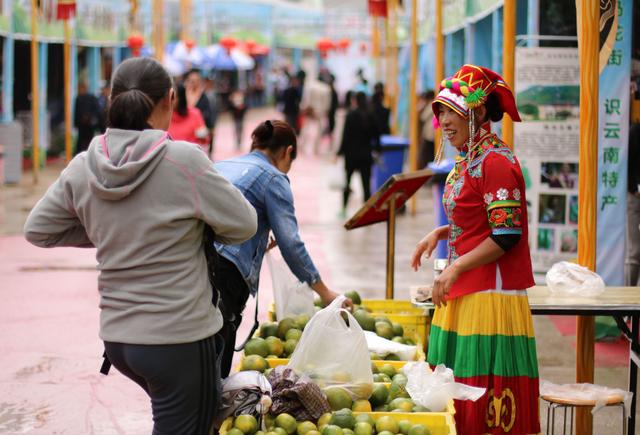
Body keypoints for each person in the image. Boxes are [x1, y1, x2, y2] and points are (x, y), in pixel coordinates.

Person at [23, 57, 258, 434]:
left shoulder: (84, 164)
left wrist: (112, 231)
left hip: (119, 340)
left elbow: (39, 229)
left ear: (112, 99)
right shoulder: (183, 160)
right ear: (170, 99)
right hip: (178, 337)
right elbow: (245, 224)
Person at [410, 64, 539, 434]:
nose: (444, 122)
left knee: (483, 400)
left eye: (452, 111)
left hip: (491, 297)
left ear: (478, 112)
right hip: (469, 288)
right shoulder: (471, 159)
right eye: (442, 112)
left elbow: (506, 234)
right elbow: (482, 219)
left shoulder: (496, 162)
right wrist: (442, 231)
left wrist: (454, 267)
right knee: (459, 394)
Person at [213, 120, 344, 377]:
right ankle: (209, 415)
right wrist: (325, 292)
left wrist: (257, 241)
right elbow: (291, 244)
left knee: (200, 354)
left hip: (193, 266)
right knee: (216, 363)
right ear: (288, 152)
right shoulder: (273, 177)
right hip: (224, 276)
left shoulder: (222, 165)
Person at [338, 91, 380, 215]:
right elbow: (376, 136)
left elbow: (345, 136)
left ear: (355, 100)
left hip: (351, 155)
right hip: (366, 155)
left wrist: (339, 152)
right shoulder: (370, 115)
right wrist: (377, 150)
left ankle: (343, 209)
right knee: (366, 185)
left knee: (347, 182)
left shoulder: (351, 115)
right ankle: (366, 212)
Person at [168, 83, 209, 153]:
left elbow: (204, 139)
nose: (169, 100)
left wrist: (203, 135)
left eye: (173, 97)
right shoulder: (164, 115)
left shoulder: (194, 114)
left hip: (191, 156)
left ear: (181, 97)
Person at [300, 75, 332, 154]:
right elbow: (327, 102)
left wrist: (304, 108)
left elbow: (306, 98)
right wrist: (325, 111)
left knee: (305, 128)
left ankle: (302, 146)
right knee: (319, 130)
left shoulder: (310, 86)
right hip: (320, 111)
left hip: (310, 109)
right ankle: (316, 148)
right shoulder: (326, 88)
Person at [185, 69, 213, 154]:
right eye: (191, 81)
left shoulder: (204, 97)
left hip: (199, 133)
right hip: (186, 132)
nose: (193, 83)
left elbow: (208, 114)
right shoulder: (183, 95)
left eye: (196, 81)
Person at [626, 121, 640, 286]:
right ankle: (627, 304)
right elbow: (627, 163)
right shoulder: (636, 131)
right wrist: (633, 187)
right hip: (635, 196)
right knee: (634, 252)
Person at [73, 82, 101, 155]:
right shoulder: (78, 99)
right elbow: (76, 112)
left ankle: (90, 154)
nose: (80, 90)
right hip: (81, 125)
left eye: (82, 88)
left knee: (89, 140)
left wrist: (90, 117)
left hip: (90, 125)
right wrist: (77, 123)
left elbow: (97, 110)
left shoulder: (92, 98)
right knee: (80, 141)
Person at [418, 90, 435, 168]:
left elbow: (423, 117)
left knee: (428, 155)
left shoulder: (431, 105)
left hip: (429, 135)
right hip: (430, 135)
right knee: (429, 154)